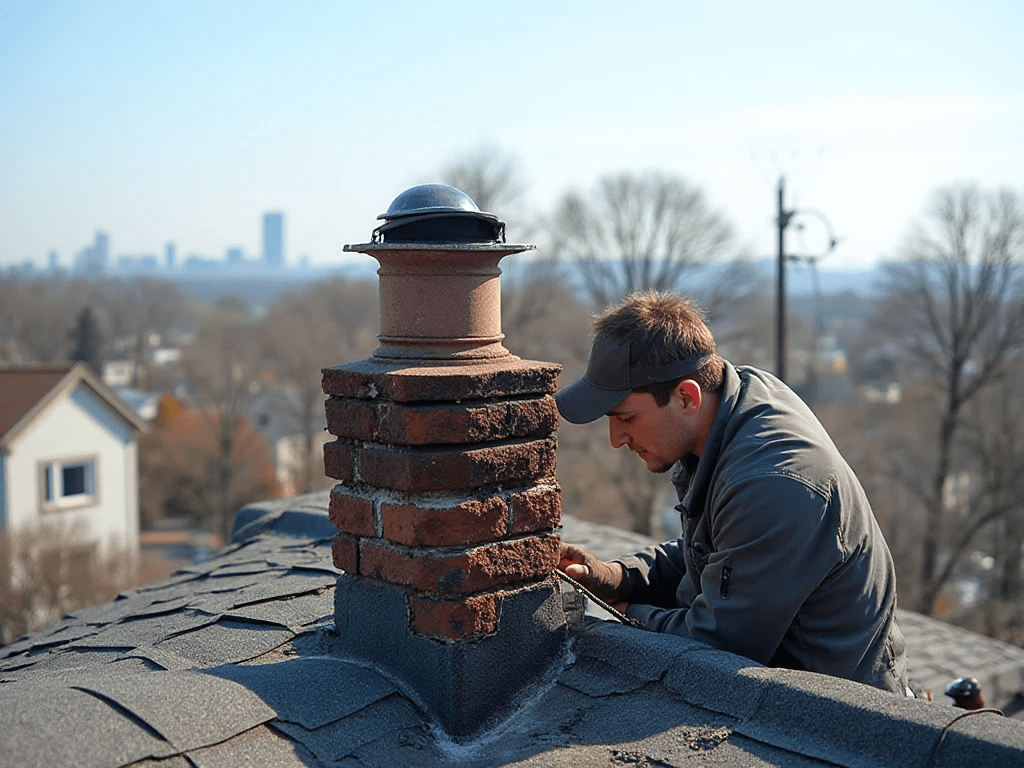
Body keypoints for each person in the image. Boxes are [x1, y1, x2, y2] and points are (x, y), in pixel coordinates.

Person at [556, 291, 908, 694]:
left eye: (626, 418)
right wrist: (620, 577)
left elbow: (717, 646)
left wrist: (624, 614)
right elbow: (716, 551)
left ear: (686, 396)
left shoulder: (775, 484)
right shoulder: (731, 403)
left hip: (839, 722)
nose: (617, 438)